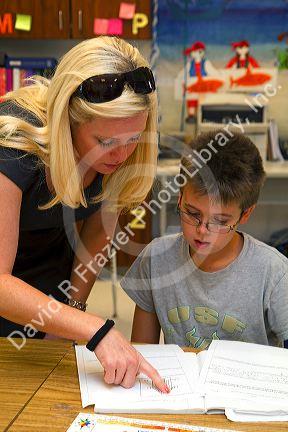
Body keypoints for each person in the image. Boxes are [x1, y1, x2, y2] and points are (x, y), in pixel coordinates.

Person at [0, 36, 169, 393]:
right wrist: (94, 329)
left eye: (133, 139)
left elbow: (97, 234)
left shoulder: (121, 148)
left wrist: (70, 312)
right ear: (68, 122)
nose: (121, 155)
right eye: (105, 142)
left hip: (50, 273)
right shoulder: (12, 147)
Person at [121, 130, 288, 350]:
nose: (202, 231)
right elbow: (143, 353)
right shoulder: (155, 260)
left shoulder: (273, 273)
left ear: (245, 214)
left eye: (219, 221)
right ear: (180, 197)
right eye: (192, 213)